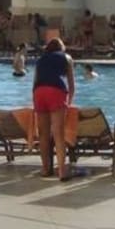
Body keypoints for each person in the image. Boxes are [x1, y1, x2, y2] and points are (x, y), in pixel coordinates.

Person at [34, 37, 78, 181]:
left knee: (43, 134)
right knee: (58, 133)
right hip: (56, 91)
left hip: (39, 92)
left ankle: (45, 169)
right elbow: (71, 85)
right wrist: (69, 102)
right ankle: (62, 171)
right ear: (61, 48)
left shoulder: (40, 60)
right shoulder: (67, 58)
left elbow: (35, 82)